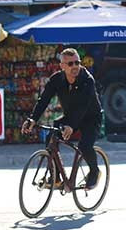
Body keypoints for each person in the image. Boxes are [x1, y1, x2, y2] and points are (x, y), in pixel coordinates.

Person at [22, 48, 104, 190]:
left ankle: (94, 171)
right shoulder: (56, 79)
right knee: (51, 138)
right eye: (70, 64)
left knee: (84, 146)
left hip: (91, 118)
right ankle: (56, 177)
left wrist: (71, 126)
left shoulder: (87, 80)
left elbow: (83, 106)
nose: (75, 67)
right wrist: (32, 119)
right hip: (71, 116)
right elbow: (44, 100)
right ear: (62, 66)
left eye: (77, 62)